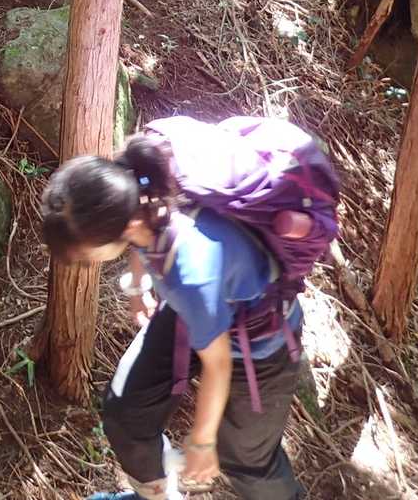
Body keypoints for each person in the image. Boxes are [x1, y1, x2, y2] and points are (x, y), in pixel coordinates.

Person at [41, 134, 307, 500]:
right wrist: (138, 286)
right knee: (126, 414)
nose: (84, 263)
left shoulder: (188, 273)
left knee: (247, 462)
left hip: (260, 338)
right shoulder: (137, 194)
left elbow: (218, 365)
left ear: (124, 227)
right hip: (198, 311)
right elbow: (140, 242)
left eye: (85, 256)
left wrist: (202, 441)